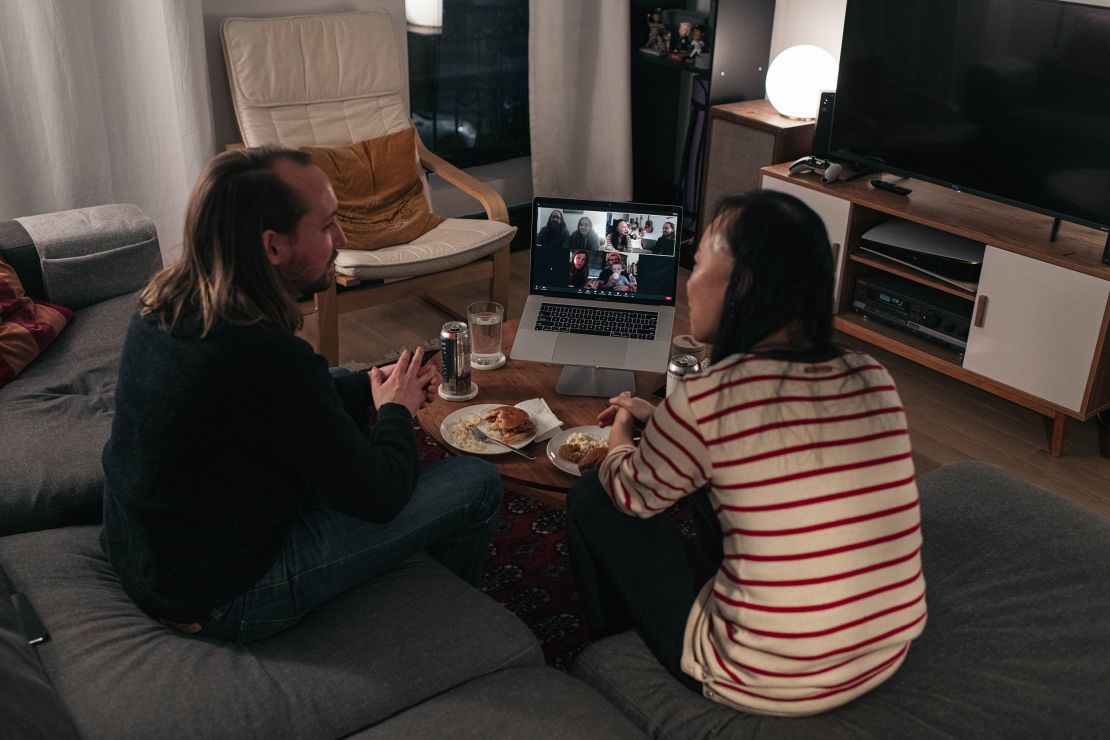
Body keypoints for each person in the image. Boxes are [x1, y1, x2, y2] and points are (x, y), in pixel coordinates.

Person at [100, 146, 504, 642]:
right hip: (223, 596)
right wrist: (395, 412)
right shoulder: (264, 356)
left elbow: (294, 400)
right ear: (273, 246)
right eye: (328, 225)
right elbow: (378, 495)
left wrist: (373, 385)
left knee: (335, 381)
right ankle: (441, 621)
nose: (343, 238)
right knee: (476, 482)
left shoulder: (163, 300)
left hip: (148, 555)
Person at [566, 190, 926, 716]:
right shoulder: (871, 374)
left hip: (763, 680)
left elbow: (630, 495)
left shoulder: (711, 398)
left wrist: (623, 426)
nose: (688, 278)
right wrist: (665, 421)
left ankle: (615, 649)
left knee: (592, 496)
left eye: (701, 261)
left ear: (744, 285)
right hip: (884, 651)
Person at [534, 209, 570, 284]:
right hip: (545, 260)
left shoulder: (566, 232)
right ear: (550, 218)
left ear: (561, 220)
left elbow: (564, 249)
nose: (555, 219)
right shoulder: (543, 230)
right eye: (553, 217)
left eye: (558, 217)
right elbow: (539, 246)